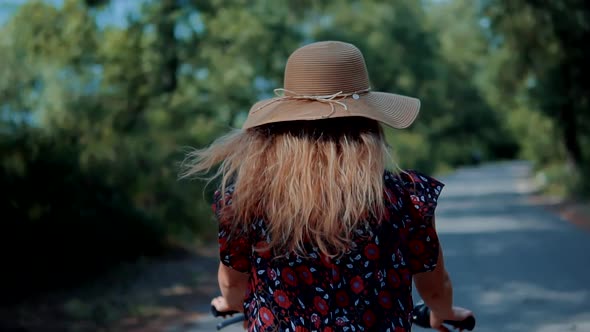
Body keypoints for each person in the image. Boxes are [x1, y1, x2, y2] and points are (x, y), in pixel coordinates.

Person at [183, 41, 473, 331]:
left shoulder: (248, 200)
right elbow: (434, 285)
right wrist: (441, 311)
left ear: (281, 129)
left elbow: (234, 282)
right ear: (369, 125)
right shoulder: (405, 197)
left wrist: (231, 303)